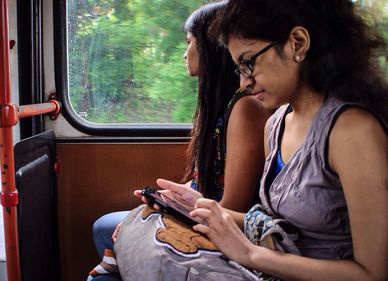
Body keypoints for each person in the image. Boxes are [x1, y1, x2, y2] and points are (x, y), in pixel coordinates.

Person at [185, 0, 387, 280]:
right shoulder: (275, 125)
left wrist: (250, 254)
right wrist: (205, 211)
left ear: (298, 43)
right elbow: (285, 229)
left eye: (248, 62)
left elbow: (373, 273)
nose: (244, 82)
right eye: (238, 68)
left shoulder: (352, 132)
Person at [90, 1, 270, 279]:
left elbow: (234, 207)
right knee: (108, 226)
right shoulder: (219, 107)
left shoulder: (245, 108)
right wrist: (167, 199)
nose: (185, 53)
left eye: (189, 43)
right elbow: (207, 184)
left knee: (108, 230)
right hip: (206, 213)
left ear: (211, 48)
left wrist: (174, 210)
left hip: (226, 228)